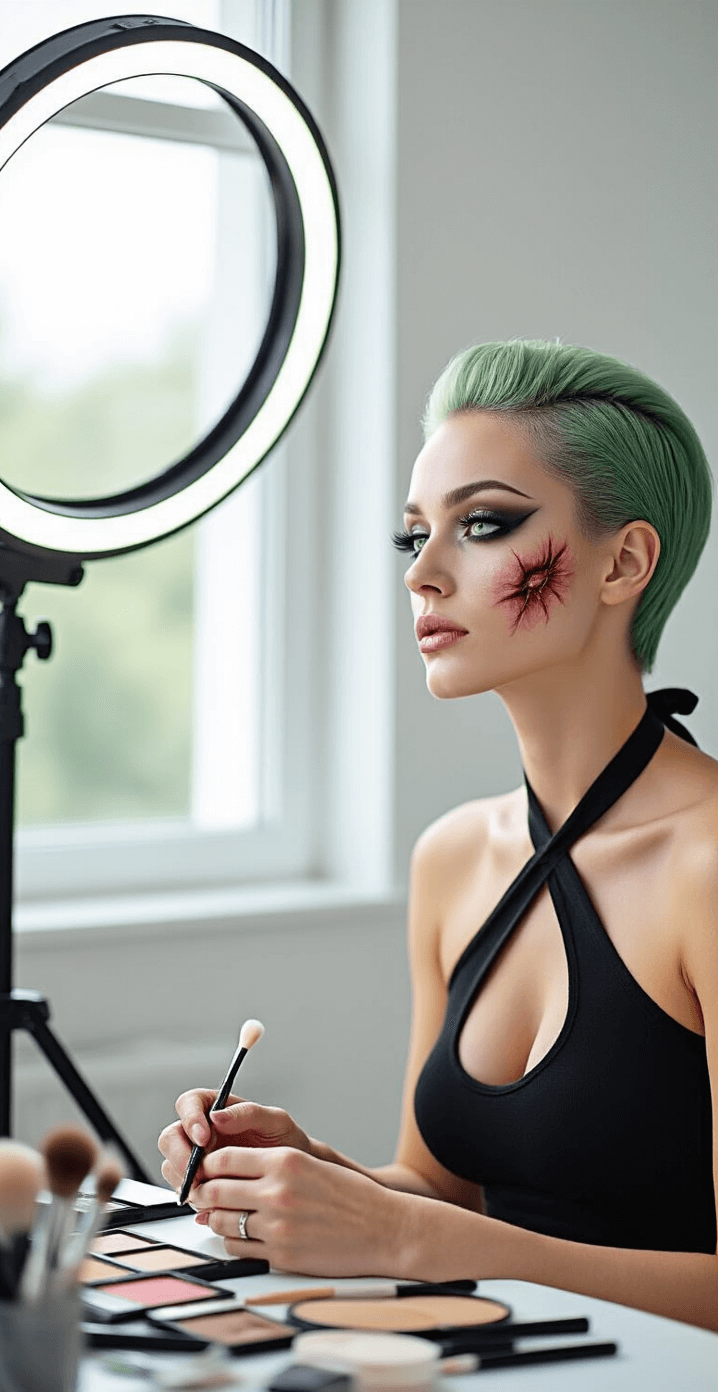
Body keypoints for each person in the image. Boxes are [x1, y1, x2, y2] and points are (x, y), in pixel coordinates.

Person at [159, 339, 718, 1332]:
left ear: (623, 562)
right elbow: (442, 1191)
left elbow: (438, 1239)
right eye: (410, 537)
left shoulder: (708, 867)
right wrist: (310, 1176)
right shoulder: (455, 859)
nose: (422, 574)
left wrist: (408, 1240)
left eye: (484, 525)